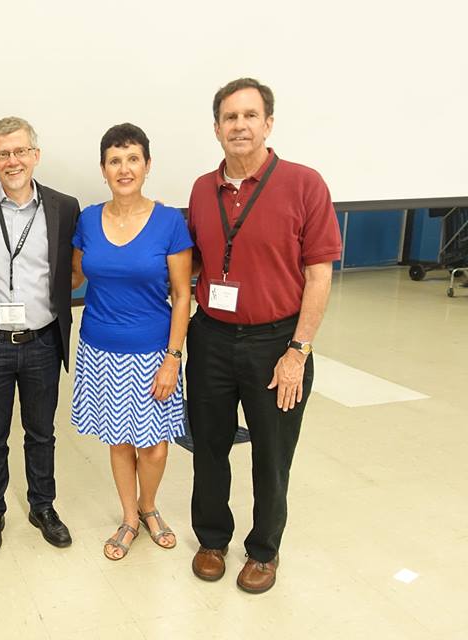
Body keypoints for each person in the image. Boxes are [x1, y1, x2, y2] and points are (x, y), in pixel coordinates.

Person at [186, 78, 342, 593]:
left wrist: (298, 351)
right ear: (216, 128)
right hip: (209, 337)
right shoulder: (202, 189)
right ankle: (212, 538)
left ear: (268, 124)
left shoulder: (304, 184)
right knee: (208, 446)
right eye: (230, 118)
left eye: (250, 116)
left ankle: (263, 551)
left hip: (277, 343)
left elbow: (319, 275)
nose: (240, 126)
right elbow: (201, 264)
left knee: (271, 454)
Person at [0, 117, 80, 554]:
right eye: (3, 153)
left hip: (43, 342)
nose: (13, 161)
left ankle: (42, 506)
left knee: (41, 432)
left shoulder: (64, 207)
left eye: (21, 151)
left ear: (36, 155)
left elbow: (75, 268)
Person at [70, 123, 193, 560]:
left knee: (155, 446)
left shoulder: (168, 223)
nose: (124, 169)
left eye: (133, 159)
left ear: (147, 165)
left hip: (154, 353)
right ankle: (128, 517)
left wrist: (173, 358)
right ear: (103, 169)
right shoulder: (87, 219)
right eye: (115, 161)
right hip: (99, 351)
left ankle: (149, 506)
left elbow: (182, 296)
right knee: (119, 440)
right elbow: (75, 275)